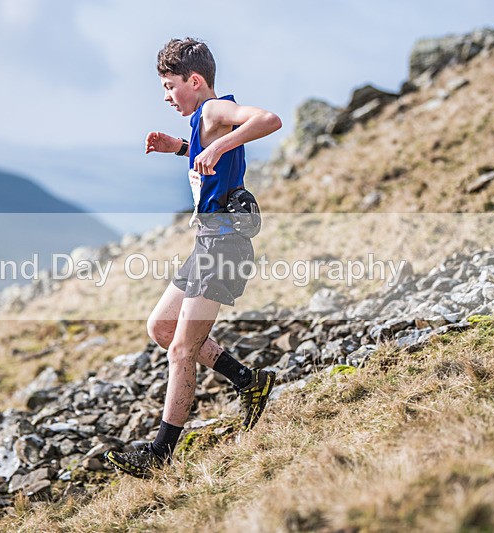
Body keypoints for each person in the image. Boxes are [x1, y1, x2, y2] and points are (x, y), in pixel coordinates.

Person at [105, 37, 282, 478]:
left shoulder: (216, 109)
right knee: (162, 328)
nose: (166, 97)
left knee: (182, 349)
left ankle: (160, 455)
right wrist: (181, 149)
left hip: (223, 245)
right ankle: (248, 381)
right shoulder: (203, 120)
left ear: (194, 80)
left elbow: (269, 119)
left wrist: (216, 147)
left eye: (169, 86)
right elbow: (214, 160)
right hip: (207, 244)